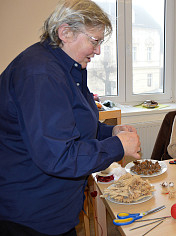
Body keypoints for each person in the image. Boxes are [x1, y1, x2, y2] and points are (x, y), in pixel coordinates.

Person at [0, 0, 141, 235]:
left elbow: (73, 125)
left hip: (52, 208)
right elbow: (58, 156)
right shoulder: (41, 75)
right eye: (94, 41)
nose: (97, 51)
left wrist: (110, 132)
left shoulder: (67, 68)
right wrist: (117, 146)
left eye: (100, 42)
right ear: (65, 32)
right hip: (31, 214)